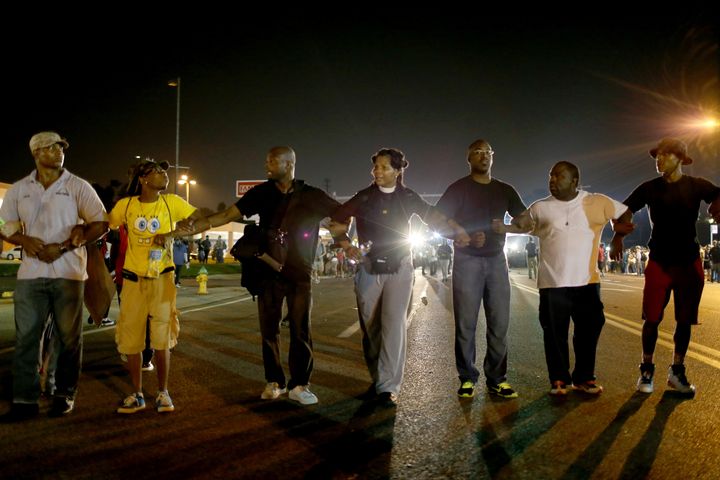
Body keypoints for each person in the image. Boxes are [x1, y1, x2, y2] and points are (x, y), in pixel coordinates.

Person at [177, 146, 344, 405]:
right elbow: (224, 215)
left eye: (273, 160)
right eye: (266, 159)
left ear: (289, 164)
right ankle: (274, 381)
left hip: (300, 272)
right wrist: (192, 228)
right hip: (267, 269)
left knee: (301, 329)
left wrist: (340, 235)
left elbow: (343, 214)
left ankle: (300, 384)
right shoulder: (261, 193)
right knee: (269, 328)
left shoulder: (312, 195)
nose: (266, 164)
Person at [331, 148, 468, 405]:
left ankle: (388, 387)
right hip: (369, 266)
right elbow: (337, 220)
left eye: (384, 167)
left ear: (397, 171)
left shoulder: (407, 196)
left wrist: (457, 230)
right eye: (375, 167)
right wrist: (346, 244)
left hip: (401, 265)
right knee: (371, 327)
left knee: (393, 324)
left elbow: (432, 217)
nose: (377, 172)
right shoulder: (364, 197)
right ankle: (378, 378)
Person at [495, 161, 630, 395]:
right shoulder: (541, 207)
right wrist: (503, 227)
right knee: (554, 334)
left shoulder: (596, 202)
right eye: (551, 176)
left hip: (587, 282)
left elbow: (624, 211)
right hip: (552, 283)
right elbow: (522, 224)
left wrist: (618, 235)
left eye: (559, 176)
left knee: (588, 331)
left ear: (575, 181)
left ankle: (584, 377)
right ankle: (558, 379)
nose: (553, 180)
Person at [0, 131, 107, 421]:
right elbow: (5, 225)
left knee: (69, 339)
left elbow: (101, 223)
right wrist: (23, 241)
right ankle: (25, 400)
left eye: (61, 147)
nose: (59, 151)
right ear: (36, 153)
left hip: (69, 273)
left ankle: (64, 394)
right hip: (30, 274)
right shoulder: (19, 189)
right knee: (26, 339)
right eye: (51, 147)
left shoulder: (77, 186)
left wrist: (70, 241)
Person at [612, 138, 720, 395]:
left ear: (680, 158)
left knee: (684, 321)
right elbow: (624, 210)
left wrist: (718, 204)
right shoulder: (649, 188)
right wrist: (618, 235)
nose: (659, 160)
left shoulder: (696, 186)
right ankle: (646, 370)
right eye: (656, 156)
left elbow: (718, 193)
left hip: (689, 261)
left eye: (665, 155)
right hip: (659, 260)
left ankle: (677, 371)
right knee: (652, 318)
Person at [108, 159, 202, 414]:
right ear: (143, 178)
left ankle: (163, 392)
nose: (164, 174)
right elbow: (107, 222)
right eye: (157, 171)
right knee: (132, 339)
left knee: (162, 338)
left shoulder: (172, 202)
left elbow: (199, 218)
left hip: (163, 279)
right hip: (132, 280)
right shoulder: (126, 205)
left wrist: (178, 232)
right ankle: (137, 393)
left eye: (164, 171)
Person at [436, 139, 526, 399]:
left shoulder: (505, 190)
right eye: (477, 152)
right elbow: (436, 220)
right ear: (469, 159)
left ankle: (497, 379)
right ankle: (467, 378)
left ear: (492, 157)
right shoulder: (458, 189)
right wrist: (458, 234)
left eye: (487, 152)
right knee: (466, 323)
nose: (483, 156)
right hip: (467, 261)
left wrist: (507, 228)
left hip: (497, 260)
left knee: (499, 323)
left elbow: (525, 221)